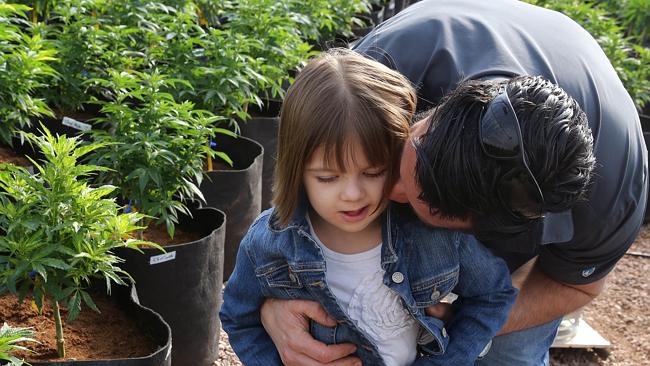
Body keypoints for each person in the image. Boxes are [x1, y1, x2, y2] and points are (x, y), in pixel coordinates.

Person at [259, 0, 648, 365]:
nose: (386, 191)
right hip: (458, 34)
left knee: (510, 351)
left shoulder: (612, 199)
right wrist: (274, 307)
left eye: (413, 200)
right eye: (390, 162)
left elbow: (577, 286)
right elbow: (306, 178)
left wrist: (467, 321)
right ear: (440, 109)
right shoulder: (385, 67)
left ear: (482, 226)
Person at [219, 48, 518, 366]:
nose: (352, 193)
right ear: (297, 171)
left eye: (373, 172)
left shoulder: (433, 233)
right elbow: (239, 317)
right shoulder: (269, 243)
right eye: (327, 177)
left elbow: (493, 295)